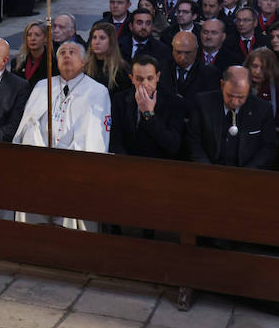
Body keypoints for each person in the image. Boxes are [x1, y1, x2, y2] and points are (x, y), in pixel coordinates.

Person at [13, 41, 111, 229]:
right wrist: (42, 154)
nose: (66, 55)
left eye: (72, 52)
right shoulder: (43, 86)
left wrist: (63, 162)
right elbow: (28, 125)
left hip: (73, 169)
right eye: (62, 53)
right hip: (39, 165)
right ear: (56, 61)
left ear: (83, 61)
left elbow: (92, 137)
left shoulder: (97, 91)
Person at [186, 66, 277, 169]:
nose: (234, 101)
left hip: (247, 175)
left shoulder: (263, 110)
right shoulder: (203, 103)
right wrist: (208, 170)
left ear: (248, 90)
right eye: (230, 95)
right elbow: (193, 142)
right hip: (207, 172)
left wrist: (246, 174)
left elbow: (268, 148)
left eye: (240, 97)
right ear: (222, 85)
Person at [109, 55, 183, 159]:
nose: (145, 84)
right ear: (132, 78)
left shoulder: (174, 102)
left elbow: (172, 146)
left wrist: (148, 114)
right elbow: (115, 140)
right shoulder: (120, 100)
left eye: (150, 78)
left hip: (159, 165)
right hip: (127, 164)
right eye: (139, 79)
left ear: (157, 77)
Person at [84, 22, 129, 93]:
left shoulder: (121, 69)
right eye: (94, 37)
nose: (97, 42)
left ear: (111, 42)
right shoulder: (85, 67)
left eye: (102, 38)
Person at [11, 22, 51, 89]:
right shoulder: (16, 62)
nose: (32, 38)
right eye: (29, 35)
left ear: (45, 38)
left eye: (37, 35)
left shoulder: (52, 63)